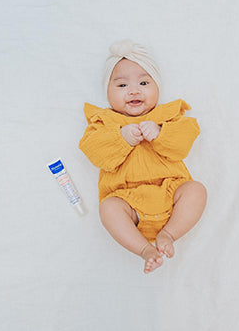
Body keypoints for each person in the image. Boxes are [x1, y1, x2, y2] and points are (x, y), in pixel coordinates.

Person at [79, 39, 207, 274]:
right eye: (121, 85)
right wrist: (121, 138)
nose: (134, 90)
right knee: (108, 208)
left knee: (196, 190)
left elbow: (183, 144)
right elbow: (95, 153)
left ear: (157, 87)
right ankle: (144, 250)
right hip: (128, 205)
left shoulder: (168, 115)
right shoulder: (104, 123)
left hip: (171, 196)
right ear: (107, 93)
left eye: (144, 82)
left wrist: (160, 134)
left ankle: (169, 233)